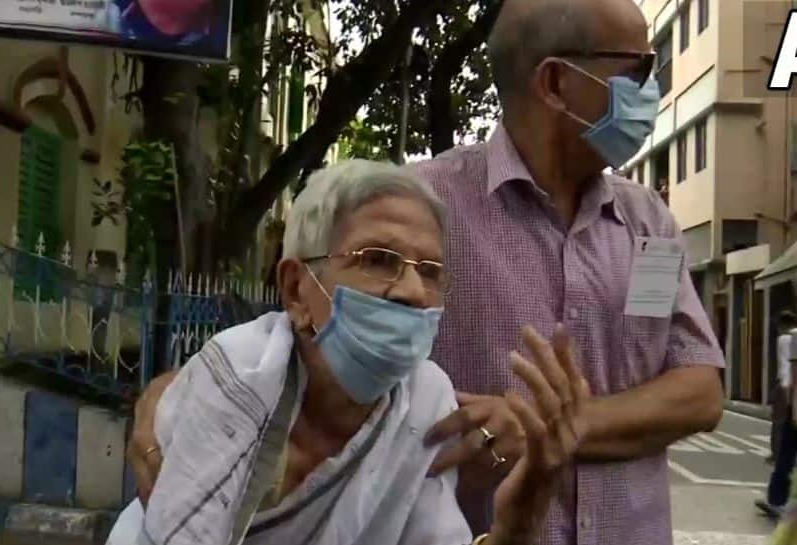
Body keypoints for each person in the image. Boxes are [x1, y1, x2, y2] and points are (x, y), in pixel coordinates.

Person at [108, 160, 591, 545]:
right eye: (378, 260)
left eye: (430, 271)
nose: (412, 292)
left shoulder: (425, 401)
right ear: (297, 290)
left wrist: (521, 518)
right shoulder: (238, 373)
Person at [412, 1, 725, 544]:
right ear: (556, 82)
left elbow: (699, 389)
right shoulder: (420, 208)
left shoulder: (649, 222)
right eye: (639, 70)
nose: (653, 90)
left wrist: (547, 429)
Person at [759, 311, 797, 519]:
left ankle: (777, 500)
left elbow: (790, 372)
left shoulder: (789, 337)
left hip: (792, 401)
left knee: (785, 453)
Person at [770, 312, 797, 464]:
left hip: (785, 383)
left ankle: (778, 453)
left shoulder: (784, 339)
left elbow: (785, 366)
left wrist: (784, 387)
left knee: (779, 421)